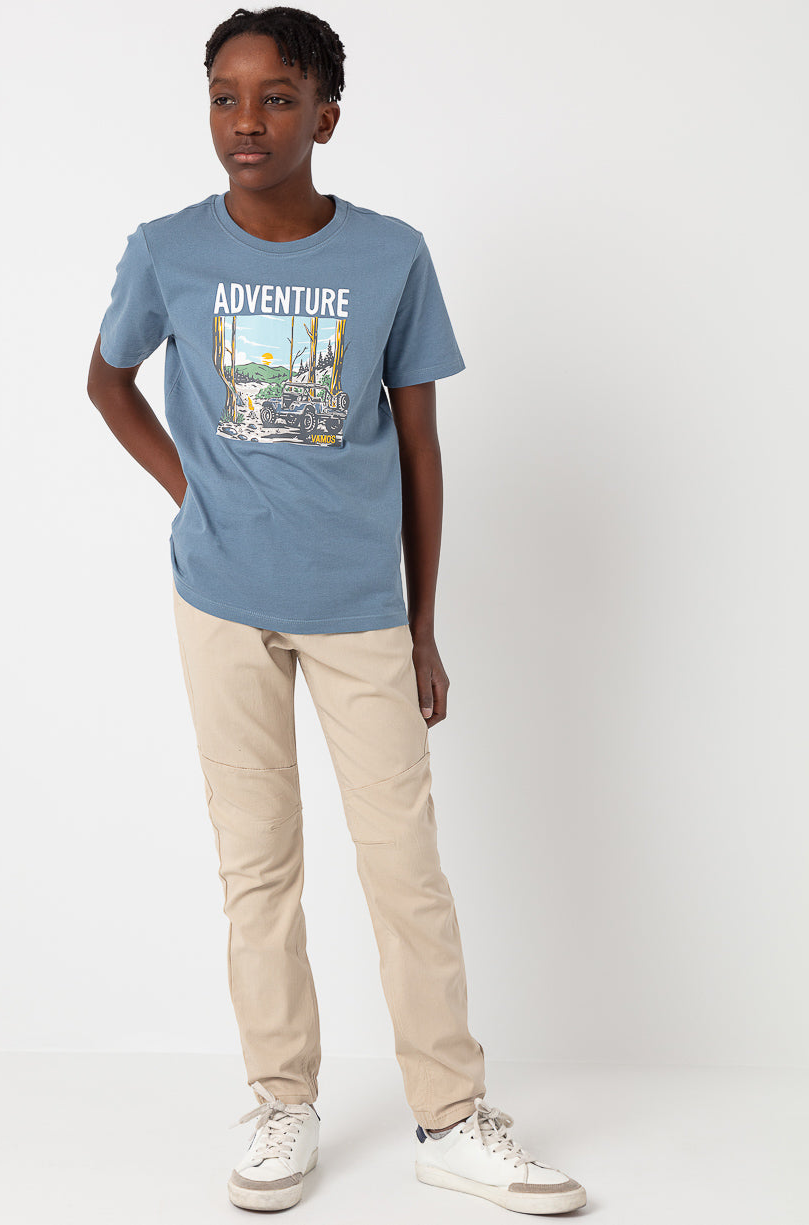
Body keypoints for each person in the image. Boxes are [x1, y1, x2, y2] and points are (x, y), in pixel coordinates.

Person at [87, 5, 586, 1216]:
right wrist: (193, 488)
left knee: (404, 869)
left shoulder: (390, 255)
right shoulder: (165, 249)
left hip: (358, 606)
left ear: (326, 115)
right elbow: (107, 381)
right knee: (256, 866)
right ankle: (281, 1101)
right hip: (220, 601)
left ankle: (450, 1117)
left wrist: (420, 626)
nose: (245, 121)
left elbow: (418, 447)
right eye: (224, 95)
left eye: (275, 97)